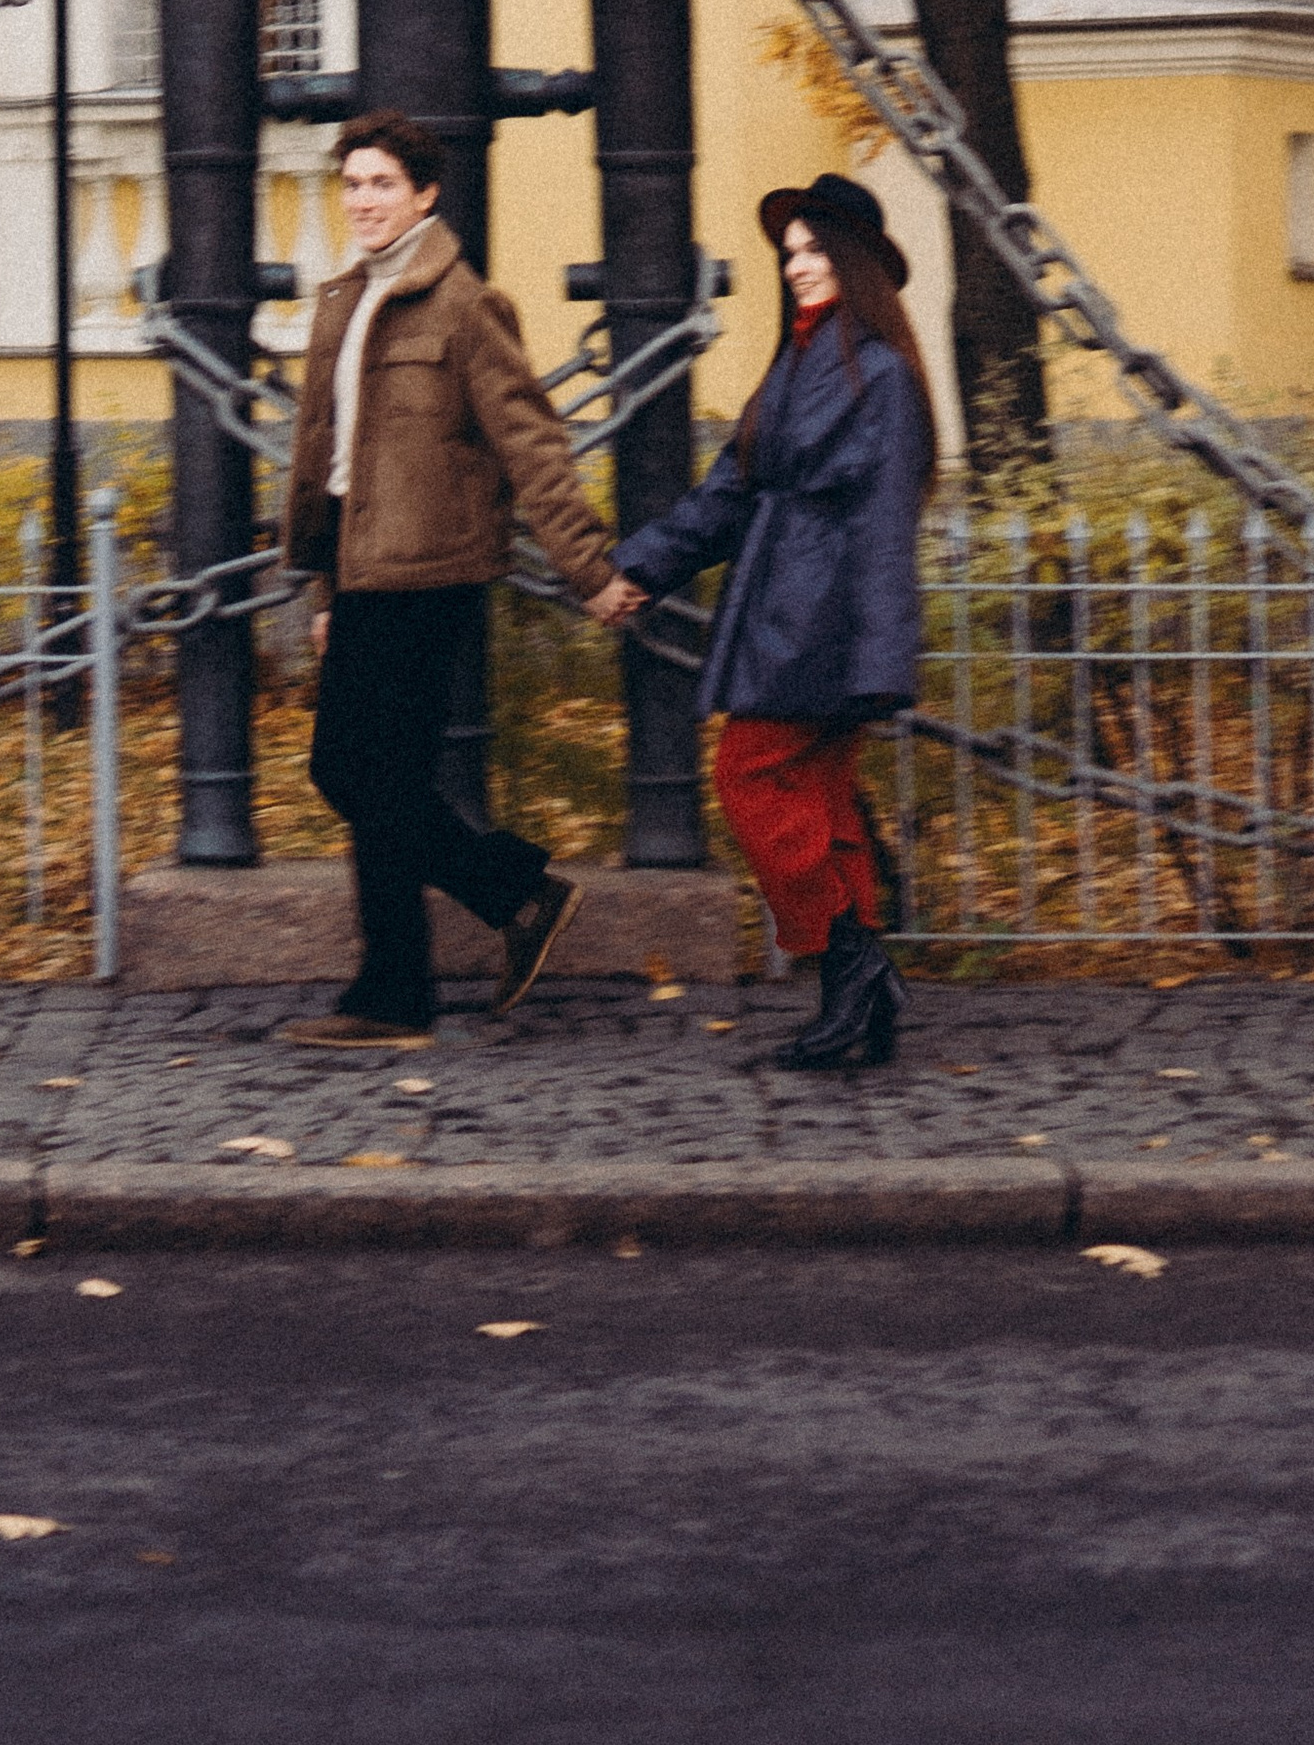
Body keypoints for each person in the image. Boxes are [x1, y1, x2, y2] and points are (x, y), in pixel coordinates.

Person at [276, 108, 644, 1050]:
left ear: (426, 193)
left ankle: (428, 962)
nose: (363, 199)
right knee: (369, 777)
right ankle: (462, 935)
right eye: (353, 183)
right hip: (364, 575)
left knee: (356, 771)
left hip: (430, 573)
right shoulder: (344, 300)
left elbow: (533, 445)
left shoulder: (464, 305)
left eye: (382, 183)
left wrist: (588, 569)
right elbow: (333, 466)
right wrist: (326, 591)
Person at [610, 171, 934, 1072]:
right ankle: (857, 996)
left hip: (824, 625)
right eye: (788, 252)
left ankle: (846, 962)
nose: (796, 265)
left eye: (815, 248)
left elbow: (883, 530)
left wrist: (880, 657)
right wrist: (638, 568)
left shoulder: (882, 375)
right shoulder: (799, 365)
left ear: (857, 259)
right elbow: (730, 492)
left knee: (748, 776)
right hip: (788, 614)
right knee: (820, 802)